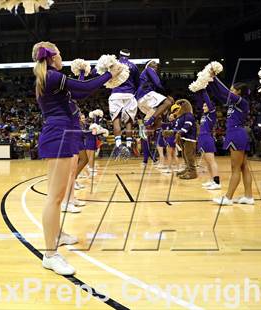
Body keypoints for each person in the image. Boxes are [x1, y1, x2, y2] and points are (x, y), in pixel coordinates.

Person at [32, 41, 122, 275]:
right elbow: (85, 90)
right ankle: (50, 254)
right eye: (60, 54)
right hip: (59, 134)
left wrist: (84, 75)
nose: (63, 57)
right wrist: (109, 75)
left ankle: (58, 234)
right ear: (52, 58)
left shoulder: (52, 78)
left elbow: (77, 90)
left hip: (64, 132)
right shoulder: (51, 76)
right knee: (54, 197)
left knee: (59, 195)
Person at [207, 77, 254, 206]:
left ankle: (228, 198)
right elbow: (219, 94)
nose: (230, 91)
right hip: (235, 133)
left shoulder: (242, 102)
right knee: (244, 167)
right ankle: (249, 197)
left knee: (235, 168)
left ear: (238, 92)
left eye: (233, 89)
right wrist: (208, 82)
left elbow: (225, 92)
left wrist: (215, 78)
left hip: (236, 134)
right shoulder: (233, 103)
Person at [108, 49, 140, 153]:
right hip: (129, 94)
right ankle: (129, 145)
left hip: (116, 93)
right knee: (129, 120)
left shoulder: (114, 64)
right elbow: (137, 82)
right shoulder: (133, 66)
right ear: (129, 56)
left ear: (119, 55)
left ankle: (118, 145)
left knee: (116, 119)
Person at [136, 60, 174, 129]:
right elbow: (158, 84)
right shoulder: (149, 69)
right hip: (145, 94)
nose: (156, 64)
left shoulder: (145, 76)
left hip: (141, 102)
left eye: (156, 63)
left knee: (158, 121)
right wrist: (167, 96)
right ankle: (148, 121)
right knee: (168, 102)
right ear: (148, 65)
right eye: (153, 63)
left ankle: (145, 136)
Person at [195, 89, 220, 190]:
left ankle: (217, 182)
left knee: (212, 161)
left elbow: (208, 101)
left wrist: (204, 90)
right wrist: (199, 92)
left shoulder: (212, 114)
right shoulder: (204, 115)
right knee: (207, 161)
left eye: (205, 106)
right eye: (203, 105)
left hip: (207, 138)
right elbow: (200, 101)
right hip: (202, 137)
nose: (203, 107)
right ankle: (212, 180)